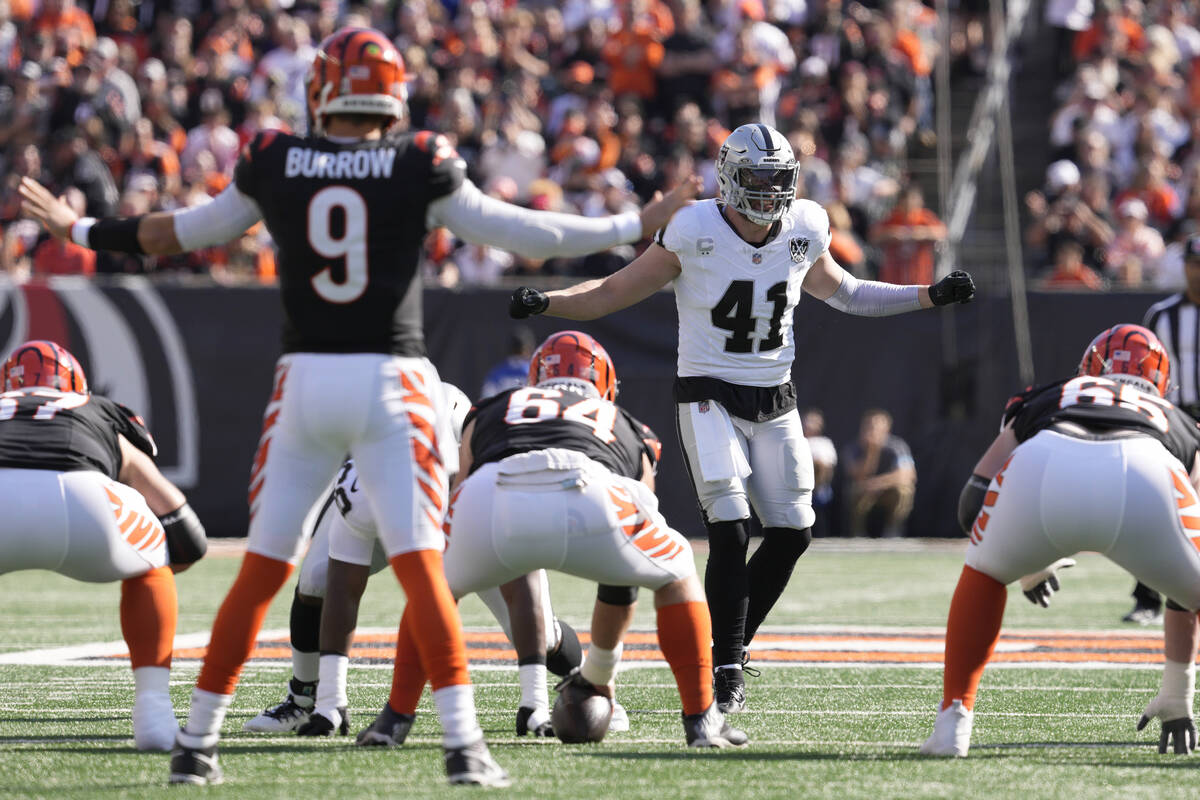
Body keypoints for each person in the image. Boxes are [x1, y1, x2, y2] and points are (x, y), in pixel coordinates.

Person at [19, 26, 696, 787]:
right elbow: (524, 231)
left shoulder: (276, 158)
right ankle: (462, 745)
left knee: (262, 571)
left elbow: (178, 232)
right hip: (391, 383)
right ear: (393, 96)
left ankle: (197, 742)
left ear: (322, 93)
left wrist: (76, 227)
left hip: (306, 380)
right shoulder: (419, 161)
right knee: (423, 570)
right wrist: (630, 225)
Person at [509, 122, 975, 713]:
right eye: (756, 178)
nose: (767, 190)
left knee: (793, 531)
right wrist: (549, 301)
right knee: (729, 521)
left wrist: (926, 295)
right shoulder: (693, 227)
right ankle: (726, 666)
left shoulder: (806, 224)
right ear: (729, 177)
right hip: (708, 391)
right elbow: (613, 291)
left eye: (778, 179)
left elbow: (849, 292)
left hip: (775, 394)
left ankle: (726, 643)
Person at [359, 330, 747, 748]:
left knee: (432, 591)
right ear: (604, 384)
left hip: (493, 496)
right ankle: (701, 720)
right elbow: (640, 513)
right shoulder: (628, 424)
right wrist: (600, 672)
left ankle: (394, 719)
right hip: (591, 492)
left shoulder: (491, 409)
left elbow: (462, 486)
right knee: (676, 569)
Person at [242, 383, 589, 739]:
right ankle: (306, 699)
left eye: (430, 456)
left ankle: (586, 681)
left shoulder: (489, 483)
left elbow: (521, 580)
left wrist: (534, 704)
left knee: (541, 635)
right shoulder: (362, 485)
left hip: (466, 525)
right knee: (318, 579)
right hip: (384, 518)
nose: (417, 467)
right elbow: (343, 588)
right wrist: (332, 706)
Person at [921, 324, 1200, 757]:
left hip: (1045, 461)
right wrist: (1178, 689)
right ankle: (1179, 693)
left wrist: (1027, 560)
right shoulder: (1180, 421)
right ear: (1161, 383)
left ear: (1087, 368)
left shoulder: (1048, 395)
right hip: (1150, 472)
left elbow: (972, 501)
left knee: (985, 572)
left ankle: (952, 722)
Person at [0, 340, 207, 752]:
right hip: (84, 500)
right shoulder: (97, 409)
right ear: (78, 385)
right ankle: (153, 711)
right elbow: (187, 534)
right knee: (151, 565)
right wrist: (159, 560)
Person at [1131, 234, 1200, 625]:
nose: (1198, 273)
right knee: (1155, 505)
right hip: (1173, 420)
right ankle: (1146, 598)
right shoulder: (1162, 314)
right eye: (1193, 264)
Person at [843, 409, 916, 537]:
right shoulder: (853, 448)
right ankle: (858, 534)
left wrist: (877, 483)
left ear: (887, 428)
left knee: (904, 490)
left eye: (877, 426)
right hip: (864, 492)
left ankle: (892, 532)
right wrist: (872, 451)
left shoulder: (898, 446)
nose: (873, 430)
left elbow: (908, 475)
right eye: (869, 426)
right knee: (853, 490)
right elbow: (857, 476)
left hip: (886, 490)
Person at [480, 326, 536, 399]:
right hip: (528, 409)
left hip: (503, 409)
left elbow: (486, 399)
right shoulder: (534, 371)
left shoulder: (497, 372)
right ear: (528, 348)